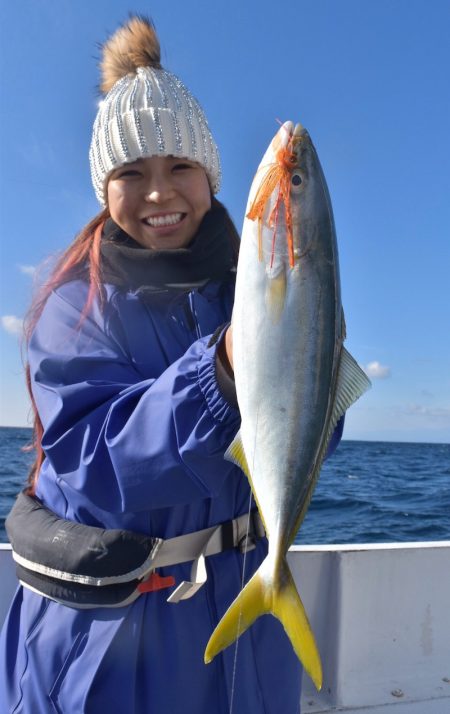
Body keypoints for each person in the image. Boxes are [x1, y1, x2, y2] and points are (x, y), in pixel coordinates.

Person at [0, 16, 343, 714]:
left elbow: (313, 432)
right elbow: (93, 460)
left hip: (245, 652)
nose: (160, 193)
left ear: (213, 175)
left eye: (179, 167)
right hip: (109, 648)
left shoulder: (247, 284)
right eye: (132, 173)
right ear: (104, 187)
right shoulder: (74, 306)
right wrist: (217, 374)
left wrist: (311, 361)